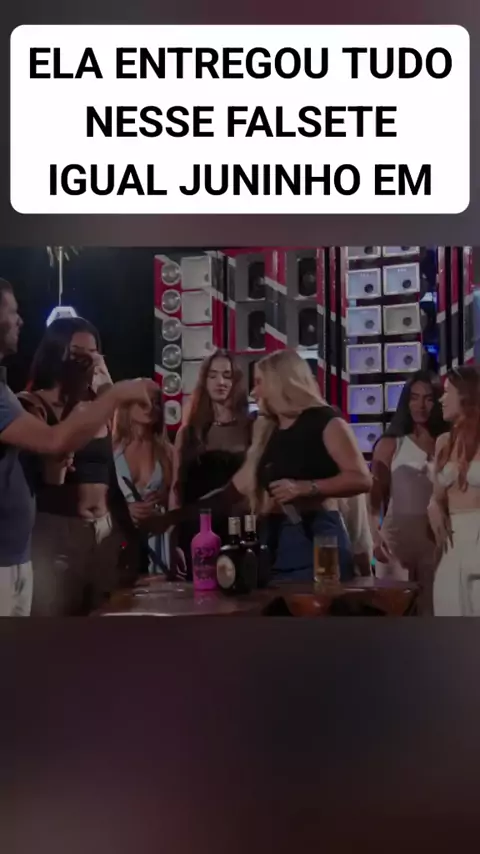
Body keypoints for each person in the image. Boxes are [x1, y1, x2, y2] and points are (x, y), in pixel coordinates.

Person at [0, 278, 157, 617]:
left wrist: (126, 531)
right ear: (56, 354)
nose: (86, 364)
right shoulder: (31, 405)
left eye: (92, 356)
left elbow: (108, 472)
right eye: (76, 355)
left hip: (101, 533)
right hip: (55, 534)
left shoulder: (95, 407)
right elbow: (52, 464)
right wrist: (111, 397)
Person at [157, 349, 372, 582]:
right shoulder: (268, 430)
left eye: (259, 382)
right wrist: (171, 519)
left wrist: (305, 488)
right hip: (274, 539)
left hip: (317, 534)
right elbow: (231, 492)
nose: (253, 391)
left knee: (315, 603)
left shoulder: (326, 421)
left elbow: (361, 479)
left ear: (279, 382)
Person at [369, 370, 446, 615]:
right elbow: (374, 497)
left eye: (428, 398)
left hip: (436, 540)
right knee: (394, 613)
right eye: (414, 397)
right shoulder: (391, 443)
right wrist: (374, 536)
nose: (420, 405)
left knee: (433, 612)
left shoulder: (447, 442)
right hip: (396, 539)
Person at [171, 349, 252, 577]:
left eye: (227, 375)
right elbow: (176, 490)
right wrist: (173, 540)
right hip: (196, 530)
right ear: (204, 381)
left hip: (239, 530)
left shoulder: (251, 429)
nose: (221, 382)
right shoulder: (189, 433)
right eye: (213, 375)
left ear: (236, 381)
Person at [429, 367, 480, 616]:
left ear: (465, 396)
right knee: (448, 615)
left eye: (447, 392)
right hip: (451, 543)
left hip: (477, 535)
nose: (441, 399)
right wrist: (433, 505)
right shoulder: (443, 443)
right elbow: (437, 496)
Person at [113, 387, 176, 578]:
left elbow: (177, 504)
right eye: (143, 402)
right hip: (120, 539)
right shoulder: (111, 450)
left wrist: (163, 513)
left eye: (156, 403)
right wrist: (124, 511)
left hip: (158, 540)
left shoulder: (168, 453)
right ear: (127, 406)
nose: (150, 408)